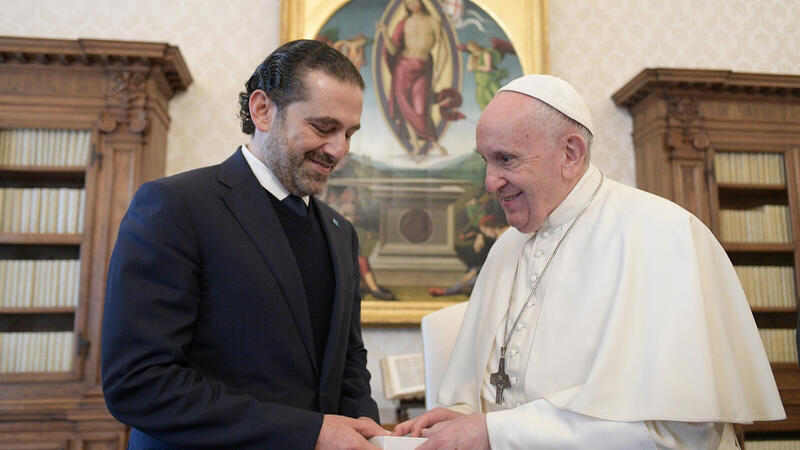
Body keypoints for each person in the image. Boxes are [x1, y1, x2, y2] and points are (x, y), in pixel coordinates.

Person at [393, 74, 785, 448]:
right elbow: (491, 398)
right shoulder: (506, 249)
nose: (490, 182)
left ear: (571, 153)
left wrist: (496, 433)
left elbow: (675, 433)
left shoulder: (661, 234)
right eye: (486, 161)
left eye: (506, 160)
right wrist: (462, 417)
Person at [101, 40, 388, 449]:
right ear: (262, 110)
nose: (339, 149)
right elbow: (139, 383)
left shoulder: (341, 231)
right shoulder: (175, 207)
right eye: (323, 127)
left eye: (349, 133)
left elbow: (349, 363)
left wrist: (366, 428)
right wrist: (310, 433)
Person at [376, 0, 461, 157]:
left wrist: (438, 73)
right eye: (408, 3)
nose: (412, 5)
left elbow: (444, 52)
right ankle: (415, 145)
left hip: (423, 69)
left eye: (414, 1)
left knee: (421, 108)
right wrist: (385, 33)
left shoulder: (434, 21)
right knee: (405, 108)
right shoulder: (404, 23)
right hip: (403, 68)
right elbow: (393, 50)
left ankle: (434, 143)